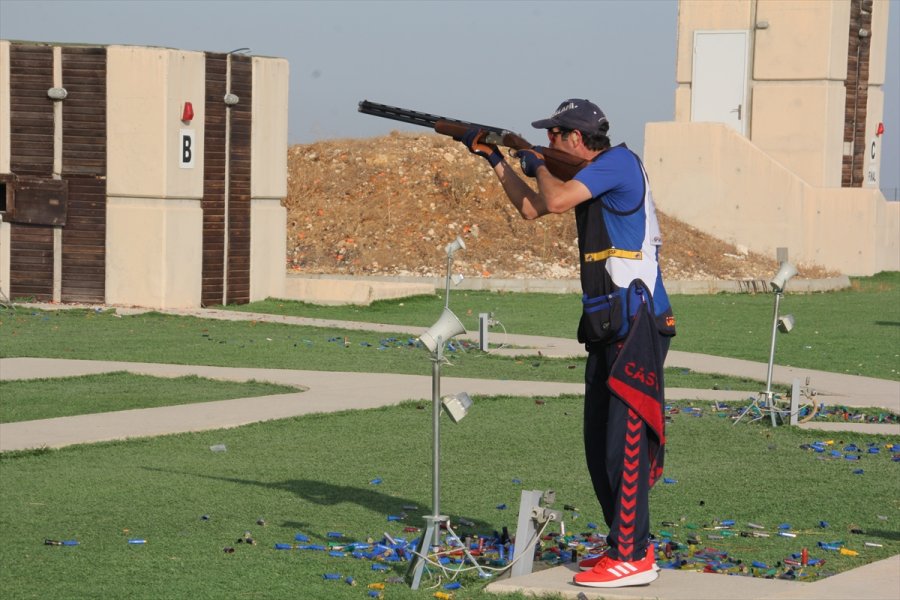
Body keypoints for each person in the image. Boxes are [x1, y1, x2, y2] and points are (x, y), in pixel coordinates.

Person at [460, 99, 676, 588]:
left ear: (574, 138)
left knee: (623, 443)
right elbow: (533, 207)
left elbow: (553, 199)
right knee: (599, 441)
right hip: (609, 323)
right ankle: (629, 546)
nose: (549, 144)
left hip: (636, 321)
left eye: (553, 137)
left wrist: (532, 160)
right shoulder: (592, 173)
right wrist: (495, 159)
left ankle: (632, 556)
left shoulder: (618, 162)